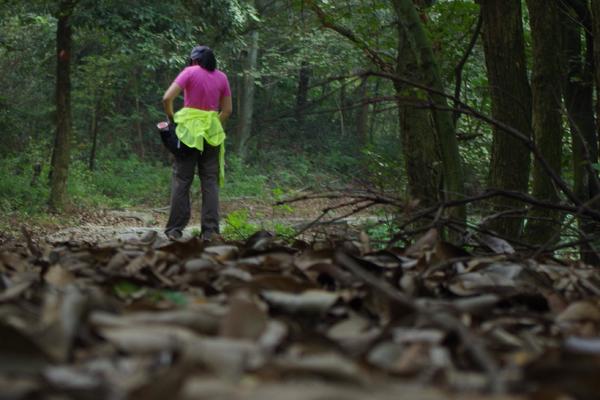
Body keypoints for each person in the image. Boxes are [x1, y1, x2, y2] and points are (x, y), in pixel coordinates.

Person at [162, 45, 232, 240]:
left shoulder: (189, 72)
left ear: (194, 60)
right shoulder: (222, 77)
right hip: (212, 133)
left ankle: (175, 229)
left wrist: (172, 119)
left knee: (182, 179)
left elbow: (167, 97)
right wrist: (212, 122)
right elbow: (227, 111)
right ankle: (210, 231)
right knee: (210, 181)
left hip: (188, 133)